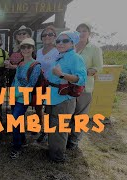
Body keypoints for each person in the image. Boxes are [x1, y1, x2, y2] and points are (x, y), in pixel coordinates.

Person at [46, 31, 87, 162]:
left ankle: (57, 157)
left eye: (65, 41)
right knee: (52, 125)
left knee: (60, 128)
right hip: (52, 95)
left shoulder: (75, 58)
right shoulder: (60, 56)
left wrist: (62, 75)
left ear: (72, 42)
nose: (60, 43)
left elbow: (81, 79)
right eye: (58, 41)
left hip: (64, 98)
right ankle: (52, 150)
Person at [67, 23, 103, 149]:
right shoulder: (70, 46)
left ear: (89, 33)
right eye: (79, 31)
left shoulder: (94, 49)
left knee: (80, 115)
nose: (81, 33)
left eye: (84, 31)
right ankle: (66, 136)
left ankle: (74, 139)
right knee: (68, 113)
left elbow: (98, 67)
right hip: (67, 86)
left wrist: (83, 73)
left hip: (84, 86)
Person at [9, 38, 42, 159]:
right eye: (23, 47)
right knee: (18, 121)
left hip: (23, 98)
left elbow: (30, 85)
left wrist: (16, 94)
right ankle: (21, 141)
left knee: (15, 121)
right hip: (14, 96)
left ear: (33, 49)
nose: (26, 49)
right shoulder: (21, 63)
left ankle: (17, 148)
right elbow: (15, 80)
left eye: (29, 47)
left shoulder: (36, 65)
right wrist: (12, 92)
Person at [35, 25, 59, 143]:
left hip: (52, 85)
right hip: (40, 84)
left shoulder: (58, 51)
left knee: (49, 110)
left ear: (55, 36)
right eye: (44, 35)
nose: (47, 37)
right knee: (38, 108)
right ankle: (41, 128)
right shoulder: (38, 51)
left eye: (50, 34)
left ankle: (47, 132)